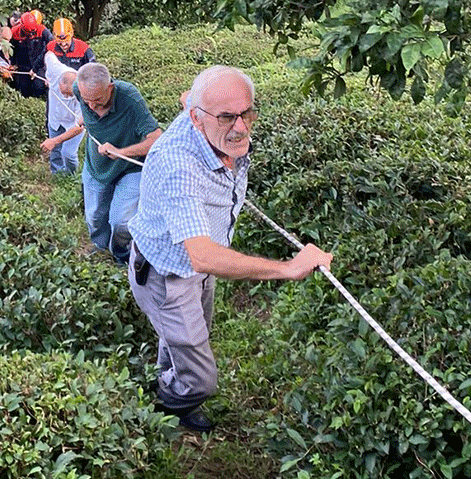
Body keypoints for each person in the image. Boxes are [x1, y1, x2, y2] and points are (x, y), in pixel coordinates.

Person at [127, 66, 333, 433]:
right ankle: (169, 404)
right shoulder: (179, 166)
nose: (240, 127)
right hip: (166, 272)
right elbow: (202, 255)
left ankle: (170, 380)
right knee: (202, 376)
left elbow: (189, 99)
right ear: (197, 118)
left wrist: (211, 106)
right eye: (226, 117)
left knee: (188, 339)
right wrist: (288, 268)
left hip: (197, 268)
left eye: (246, 113)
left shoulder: (202, 115)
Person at [73, 62, 161, 264]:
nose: (92, 106)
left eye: (97, 100)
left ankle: (121, 257)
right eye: (87, 102)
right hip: (97, 167)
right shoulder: (79, 89)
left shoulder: (129, 98)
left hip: (130, 167)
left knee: (121, 222)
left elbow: (156, 138)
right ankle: (100, 247)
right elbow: (69, 83)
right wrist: (83, 116)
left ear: (110, 88)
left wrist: (121, 152)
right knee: (94, 217)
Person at [39, 53, 82, 174]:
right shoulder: (55, 69)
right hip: (55, 117)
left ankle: (71, 176)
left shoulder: (83, 92)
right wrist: (44, 73)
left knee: (68, 153)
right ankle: (57, 174)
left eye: (70, 94)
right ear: (60, 82)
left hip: (73, 123)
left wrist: (54, 141)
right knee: (55, 152)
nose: (67, 96)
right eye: (65, 92)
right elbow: (48, 54)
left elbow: (78, 127)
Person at [10, 11, 51, 98]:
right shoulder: (14, 32)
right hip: (22, 64)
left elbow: (52, 43)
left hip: (38, 63)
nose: (31, 35)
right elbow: (10, 49)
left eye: (33, 32)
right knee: (22, 90)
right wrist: (12, 64)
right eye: (29, 32)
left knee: (39, 87)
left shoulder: (42, 30)